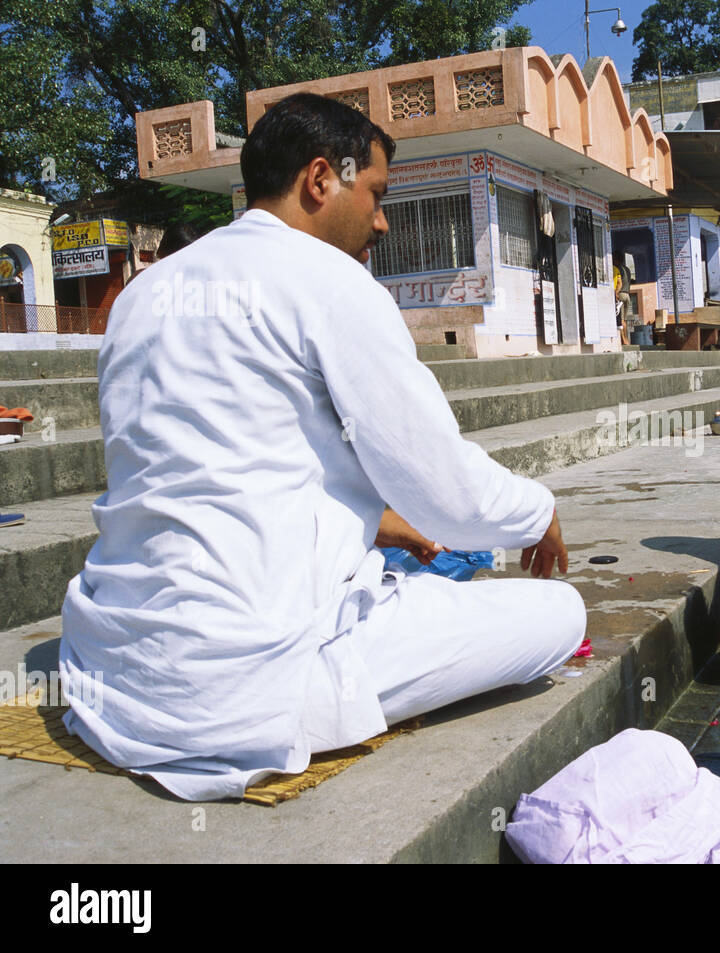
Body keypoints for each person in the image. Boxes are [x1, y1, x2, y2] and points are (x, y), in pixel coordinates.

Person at [58, 93, 586, 801]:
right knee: (560, 616)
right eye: (374, 194)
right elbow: (450, 493)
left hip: (108, 675)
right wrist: (538, 510)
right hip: (245, 689)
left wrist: (369, 520)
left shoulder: (141, 296)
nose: (381, 219)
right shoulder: (332, 280)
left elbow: (211, 469)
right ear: (319, 180)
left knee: (382, 566)